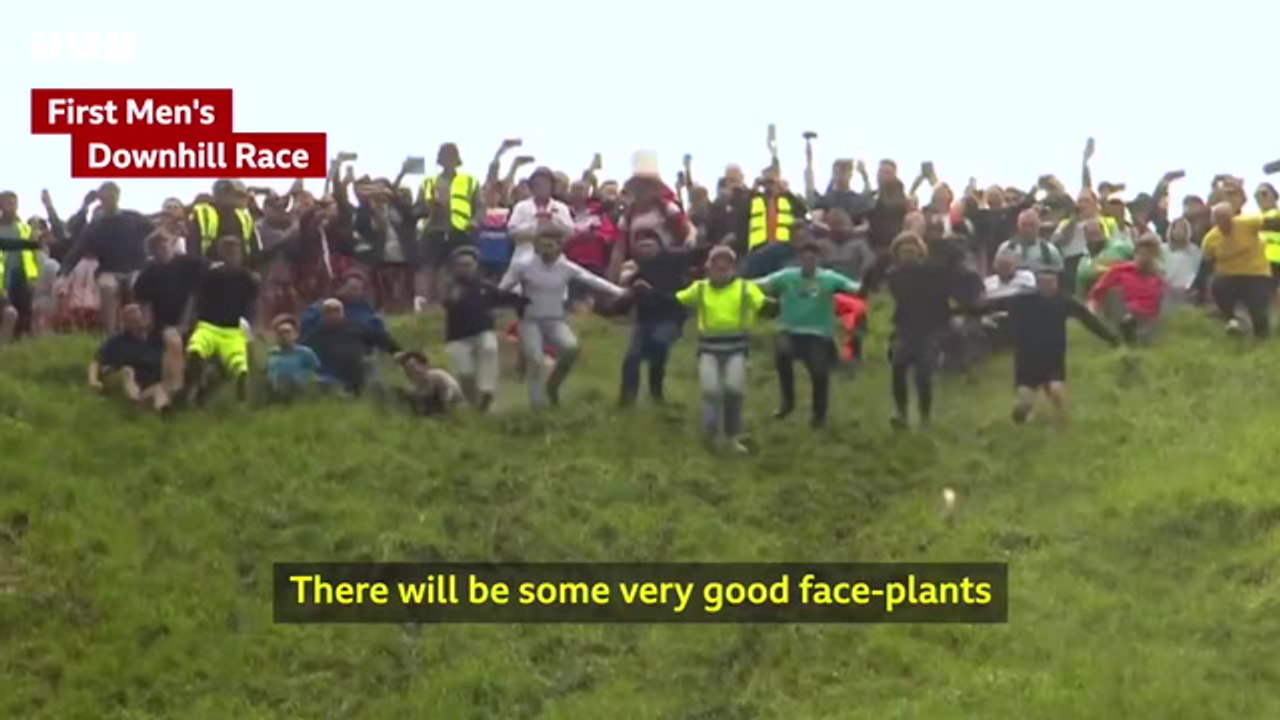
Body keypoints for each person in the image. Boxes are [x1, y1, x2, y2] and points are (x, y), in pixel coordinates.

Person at [499, 227, 631, 409]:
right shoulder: (523, 266)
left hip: (554, 320)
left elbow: (592, 280)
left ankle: (552, 386)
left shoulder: (567, 267)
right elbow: (503, 288)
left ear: (560, 247)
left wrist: (621, 292)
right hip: (529, 320)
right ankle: (537, 407)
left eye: (552, 244)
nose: (547, 248)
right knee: (535, 360)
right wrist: (492, 300)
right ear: (536, 246)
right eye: (543, 244)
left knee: (570, 349)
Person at [969, 270, 1120, 425]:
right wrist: (967, 311)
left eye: (1051, 282)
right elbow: (993, 305)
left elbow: (1088, 319)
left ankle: (1062, 430)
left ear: (1057, 283)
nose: (1047, 286)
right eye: (1043, 282)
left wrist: (1111, 337)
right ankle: (1020, 424)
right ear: (1037, 284)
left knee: (1056, 391)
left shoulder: (1064, 301)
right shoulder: (1022, 300)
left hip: (1053, 358)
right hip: (1027, 360)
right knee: (1025, 403)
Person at [756, 241, 860, 428]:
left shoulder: (829, 278)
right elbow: (759, 284)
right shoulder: (786, 277)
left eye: (813, 258)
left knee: (819, 373)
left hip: (817, 335)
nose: (808, 262)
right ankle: (788, 402)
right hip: (789, 331)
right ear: (799, 259)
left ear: (818, 260)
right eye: (805, 258)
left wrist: (867, 283)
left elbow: (854, 288)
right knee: (782, 356)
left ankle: (819, 415)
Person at [675, 246, 769, 453]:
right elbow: (676, 300)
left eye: (726, 265)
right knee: (710, 391)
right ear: (709, 267)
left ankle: (731, 437)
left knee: (734, 391)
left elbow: (764, 304)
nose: (721, 268)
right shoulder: (699, 289)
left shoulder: (745, 288)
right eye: (716, 265)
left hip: (736, 349)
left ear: (733, 268)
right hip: (708, 348)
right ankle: (710, 430)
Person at [884, 232, 967, 430]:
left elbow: (947, 293)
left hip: (930, 329)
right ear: (897, 254)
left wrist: (951, 318)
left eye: (913, 251)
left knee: (922, 375)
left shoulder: (933, 273)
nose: (908, 255)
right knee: (898, 369)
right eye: (904, 251)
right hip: (904, 328)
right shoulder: (893, 276)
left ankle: (925, 417)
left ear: (921, 253)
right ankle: (901, 413)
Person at [443, 246, 527, 411]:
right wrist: (453, 296)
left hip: (483, 332)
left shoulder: (485, 287)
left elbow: (506, 298)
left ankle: (487, 392)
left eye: (469, 264)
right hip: (457, 337)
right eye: (461, 265)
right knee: (465, 373)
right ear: (455, 268)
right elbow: (447, 303)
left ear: (476, 266)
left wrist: (528, 302)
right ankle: (475, 404)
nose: (465, 268)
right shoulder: (451, 288)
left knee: (489, 349)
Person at [613, 231, 691, 406]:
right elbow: (620, 308)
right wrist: (630, 295)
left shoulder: (673, 267)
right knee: (632, 357)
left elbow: (681, 300)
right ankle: (627, 400)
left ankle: (656, 393)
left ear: (659, 246)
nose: (645, 250)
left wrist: (651, 292)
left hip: (671, 319)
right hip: (645, 322)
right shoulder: (636, 273)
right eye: (641, 247)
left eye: (649, 246)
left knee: (659, 345)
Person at [184, 236, 258, 405]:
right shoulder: (210, 275)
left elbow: (253, 303)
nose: (231, 255)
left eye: (235, 252)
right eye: (227, 252)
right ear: (221, 254)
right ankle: (194, 386)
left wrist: (254, 323)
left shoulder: (247, 278)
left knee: (237, 364)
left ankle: (236, 395)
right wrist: (189, 321)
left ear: (240, 254)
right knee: (195, 351)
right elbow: (196, 299)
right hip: (208, 325)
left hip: (233, 327)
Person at [132, 232, 205, 395]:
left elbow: (195, 297)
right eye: (155, 246)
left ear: (172, 242)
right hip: (162, 325)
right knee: (170, 341)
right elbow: (145, 306)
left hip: (194, 320)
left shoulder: (190, 264)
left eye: (163, 242)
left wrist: (185, 324)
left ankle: (184, 388)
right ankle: (175, 389)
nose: (160, 248)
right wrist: (145, 327)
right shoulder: (147, 275)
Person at [1201, 201, 1280, 337]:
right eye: (1219, 221)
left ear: (1232, 217)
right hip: (1228, 275)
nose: (1223, 224)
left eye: (1226, 220)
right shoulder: (1210, 239)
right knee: (1218, 287)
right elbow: (1207, 263)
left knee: (1258, 308)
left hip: (1256, 273)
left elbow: (1270, 221)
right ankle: (1235, 319)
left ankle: (1262, 337)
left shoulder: (1247, 223)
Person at [418, 143, 483, 305]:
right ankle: (433, 305)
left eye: (451, 156)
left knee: (460, 268)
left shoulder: (470, 181)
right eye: (445, 156)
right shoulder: (428, 182)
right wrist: (430, 206)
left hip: (461, 230)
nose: (448, 160)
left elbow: (480, 206)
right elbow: (418, 208)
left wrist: (474, 221)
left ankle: (462, 302)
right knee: (432, 269)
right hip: (434, 230)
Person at [302, 298, 403, 394]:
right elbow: (301, 351)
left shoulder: (356, 327)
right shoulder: (315, 334)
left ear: (343, 313)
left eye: (336, 311)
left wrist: (395, 351)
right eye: (329, 311)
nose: (333, 314)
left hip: (358, 374)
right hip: (330, 377)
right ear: (323, 314)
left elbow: (380, 337)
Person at [87, 303, 170, 413]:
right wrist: (93, 380)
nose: (136, 324)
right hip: (118, 378)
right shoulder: (116, 342)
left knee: (159, 389)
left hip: (145, 386)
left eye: (137, 319)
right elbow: (96, 361)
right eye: (131, 321)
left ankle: (163, 414)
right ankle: (133, 402)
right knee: (128, 371)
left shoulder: (156, 341)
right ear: (125, 323)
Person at [1088, 234, 1166, 344]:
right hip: (1122, 313)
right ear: (1136, 254)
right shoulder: (1120, 270)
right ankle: (1124, 329)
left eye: (1150, 255)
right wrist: (1092, 315)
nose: (1145, 258)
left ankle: (1136, 335)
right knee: (1114, 292)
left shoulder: (1159, 279)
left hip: (1146, 319)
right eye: (1142, 254)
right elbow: (1096, 294)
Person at [743, 168, 808, 278]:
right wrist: (752, 190)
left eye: (772, 182)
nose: (769, 186)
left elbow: (803, 211)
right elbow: (741, 214)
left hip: (784, 247)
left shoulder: (789, 199)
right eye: (766, 183)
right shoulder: (754, 199)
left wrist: (786, 191)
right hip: (758, 247)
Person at [505, 167, 573, 271]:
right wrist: (536, 227)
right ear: (532, 187)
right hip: (524, 256)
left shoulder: (561, 208)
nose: (541, 187)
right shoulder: (521, 206)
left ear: (552, 186)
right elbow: (512, 231)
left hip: (554, 259)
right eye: (537, 184)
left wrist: (552, 223)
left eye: (545, 184)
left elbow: (570, 231)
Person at [0, 192, 44, 343]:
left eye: (14, 203)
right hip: (3, 275)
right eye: (8, 203)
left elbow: (31, 254)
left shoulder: (23, 228)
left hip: (21, 274)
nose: (12, 207)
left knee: (23, 311)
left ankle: (19, 345)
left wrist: (33, 277)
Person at [190, 180, 258, 263]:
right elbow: (193, 249)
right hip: (208, 271)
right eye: (239, 195)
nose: (244, 200)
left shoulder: (245, 218)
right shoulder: (202, 214)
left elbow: (254, 250)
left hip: (240, 271)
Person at [266, 314, 320, 400]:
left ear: (295, 334)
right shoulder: (271, 354)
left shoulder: (305, 353)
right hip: (274, 391)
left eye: (287, 332)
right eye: (280, 333)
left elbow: (314, 372)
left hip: (298, 390)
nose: (284, 336)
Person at [394, 352, 465, 417]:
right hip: (440, 405)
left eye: (417, 365)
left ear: (425, 365)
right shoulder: (418, 382)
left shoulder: (439, 377)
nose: (416, 370)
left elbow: (446, 402)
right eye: (409, 369)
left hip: (455, 407)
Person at [996, 209, 1064, 276]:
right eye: (1024, 225)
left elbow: (1059, 272)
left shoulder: (1049, 250)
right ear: (1018, 226)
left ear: (1038, 227)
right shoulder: (1006, 248)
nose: (1028, 229)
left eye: (1032, 225)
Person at [1162, 218, 1203, 306]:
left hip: (1185, 291)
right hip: (1165, 290)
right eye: (1176, 228)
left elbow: (1196, 271)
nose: (1179, 231)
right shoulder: (1162, 249)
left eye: (1183, 228)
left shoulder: (1194, 251)